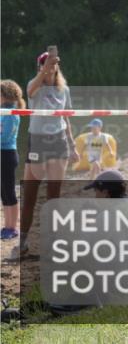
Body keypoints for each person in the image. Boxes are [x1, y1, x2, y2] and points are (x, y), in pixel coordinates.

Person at [12, 51, 78, 259]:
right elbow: (29, 91)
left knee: (54, 195)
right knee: (29, 194)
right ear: (39, 66)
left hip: (58, 142)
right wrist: (44, 70)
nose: (49, 67)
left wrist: (72, 143)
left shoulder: (63, 89)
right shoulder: (35, 84)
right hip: (37, 141)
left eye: (52, 63)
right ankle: (22, 242)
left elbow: (65, 118)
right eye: (44, 63)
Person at [1, 81, 25, 240]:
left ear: (4, 95)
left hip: (7, 154)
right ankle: (6, 226)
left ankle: (13, 227)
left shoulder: (11, 113)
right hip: (2, 153)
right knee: (3, 192)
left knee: (10, 191)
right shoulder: (3, 111)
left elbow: (5, 136)